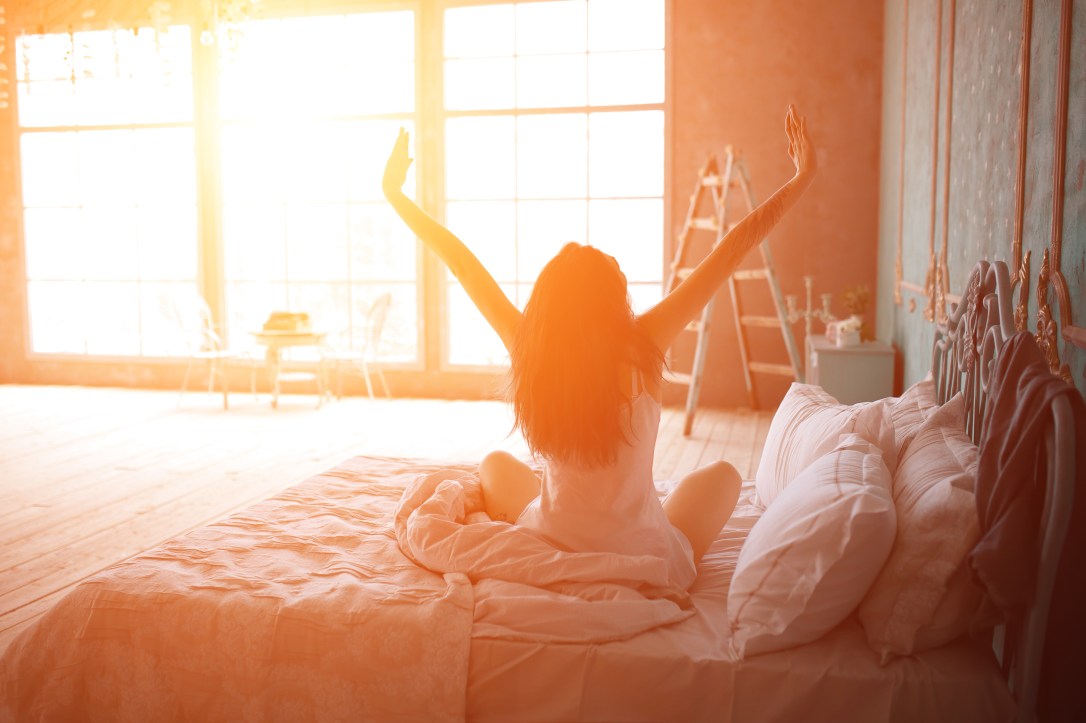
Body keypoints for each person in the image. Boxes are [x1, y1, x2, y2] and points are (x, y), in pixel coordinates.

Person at [383, 105, 816, 589]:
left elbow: (461, 264)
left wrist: (395, 197)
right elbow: (733, 247)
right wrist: (801, 178)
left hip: (552, 543)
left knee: (494, 465)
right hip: (640, 552)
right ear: (613, 300)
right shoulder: (646, 342)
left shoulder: (532, 345)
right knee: (726, 477)